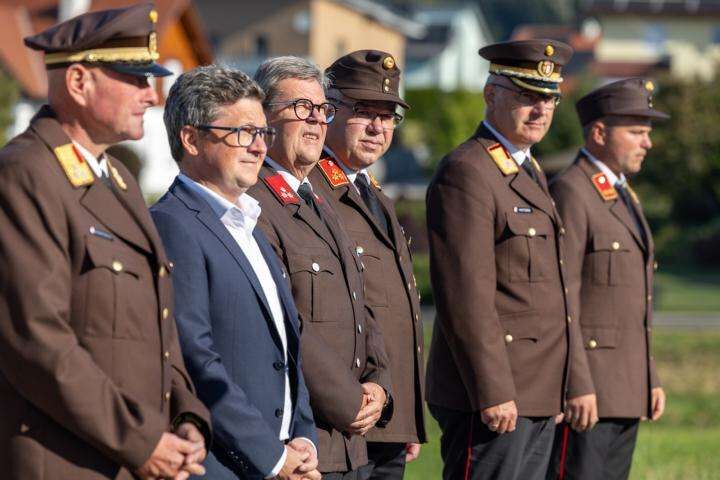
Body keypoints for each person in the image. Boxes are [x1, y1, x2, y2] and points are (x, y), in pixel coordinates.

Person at [0, 4, 211, 480]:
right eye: (134, 78)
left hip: (131, 457)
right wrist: (140, 440)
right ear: (79, 82)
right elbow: (37, 338)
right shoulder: (26, 174)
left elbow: (158, 321)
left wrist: (185, 413)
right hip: (65, 462)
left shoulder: (118, 179)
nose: (151, 94)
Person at [424, 39, 596, 480]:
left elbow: (553, 293)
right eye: (526, 95)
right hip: (493, 397)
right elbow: (465, 296)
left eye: (549, 99)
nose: (540, 110)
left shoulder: (529, 170)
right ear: (491, 94)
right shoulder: (468, 170)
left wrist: (564, 385)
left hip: (537, 392)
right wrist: (493, 389)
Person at [150, 65, 320, 480]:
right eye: (243, 133)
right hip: (223, 465)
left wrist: (303, 436)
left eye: (263, 133)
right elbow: (195, 357)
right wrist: (272, 457)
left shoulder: (250, 226)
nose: (259, 147)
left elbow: (287, 346)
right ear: (191, 139)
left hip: (283, 457)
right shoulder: (173, 224)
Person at [247, 56, 392, 480]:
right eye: (301, 108)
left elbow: (359, 303)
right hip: (306, 443)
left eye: (323, 109)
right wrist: (351, 403)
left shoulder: (319, 200)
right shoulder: (255, 203)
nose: (316, 120)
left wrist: (380, 385)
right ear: (264, 117)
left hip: (351, 442)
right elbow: (286, 321)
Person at [310, 49, 426, 479]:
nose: (378, 127)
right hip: (346, 411)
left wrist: (406, 410)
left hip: (387, 412)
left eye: (388, 115)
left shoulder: (374, 195)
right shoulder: (312, 190)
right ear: (329, 109)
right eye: (364, 112)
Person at [546, 78, 668, 480]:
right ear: (599, 133)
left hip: (623, 388)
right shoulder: (572, 191)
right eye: (636, 132)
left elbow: (632, 304)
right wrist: (577, 383)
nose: (647, 143)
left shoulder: (621, 193)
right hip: (589, 392)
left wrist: (649, 378)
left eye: (647, 133)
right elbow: (563, 297)